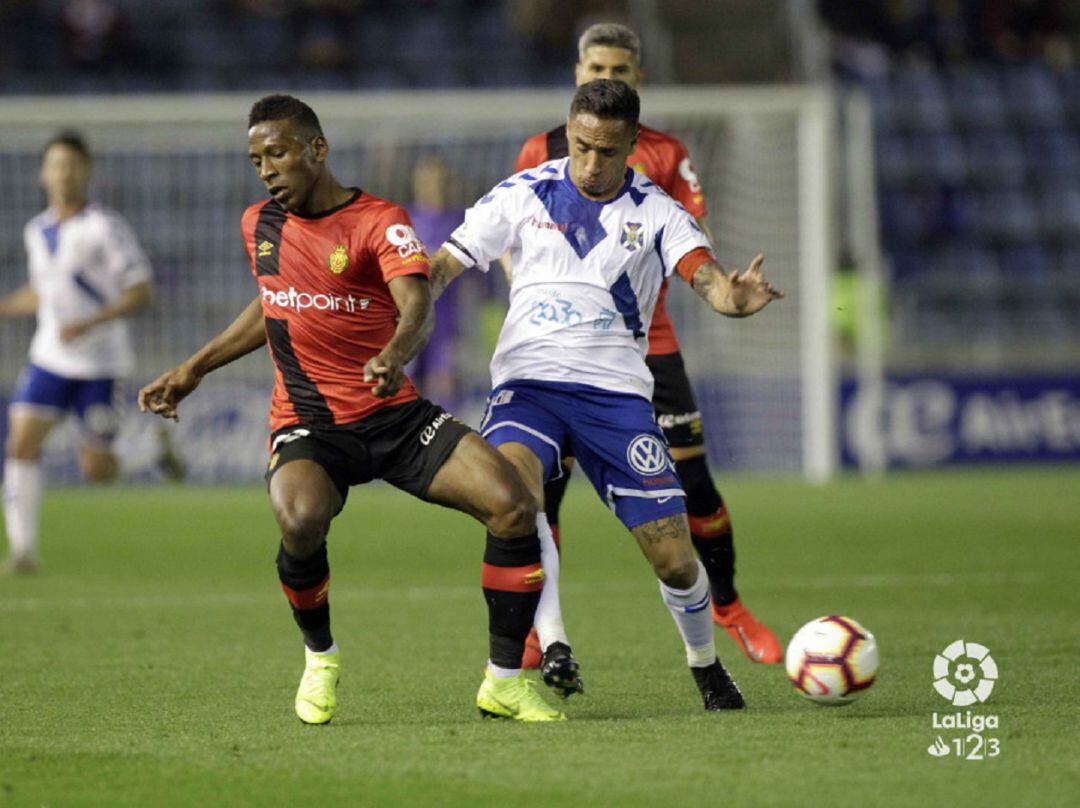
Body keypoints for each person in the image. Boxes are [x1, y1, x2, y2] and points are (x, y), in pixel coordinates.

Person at [138, 95, 562, 724]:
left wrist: (394, 355)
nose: (266, 169)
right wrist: (193, 368)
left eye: (277, 153)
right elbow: (271, 304)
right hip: (309, 421)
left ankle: (503, 681)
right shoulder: (259, 224)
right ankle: (320, 658)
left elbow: (417, 308)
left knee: (513, 505)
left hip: (393, 413)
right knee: (300, 517)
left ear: (317, 148)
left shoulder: (379, 220)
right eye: (256, 159)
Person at [429, 80, 783, 710]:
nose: (591, 164)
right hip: (528, 386)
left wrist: (736, 299)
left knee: (675, 559)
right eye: (581, 146)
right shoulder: (523, 192)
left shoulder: (660, 212)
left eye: (608, 152)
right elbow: (444, 265)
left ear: (633, 146)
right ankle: (555, 640)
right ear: (568, 131)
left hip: (615, 397)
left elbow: (710, 282)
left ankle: (704, 663)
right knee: (515, 496)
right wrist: (408, 300)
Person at [513, 22, 783, 668]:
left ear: (639, 80)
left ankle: (728, 603)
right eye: (596, 69)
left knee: (693, 484)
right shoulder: (540, 152)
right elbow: (515, 241)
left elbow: (689, 238)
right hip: (558, 348)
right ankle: (535, 629)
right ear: (578, 73)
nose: (607, 79)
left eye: (621, 71)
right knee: (539, 493)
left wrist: (724, 288)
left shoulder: (664, 153)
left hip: (646, 347)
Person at [1, 130, 153, 574]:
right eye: (56, 165)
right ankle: (23, 551)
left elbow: (140, 290)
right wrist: (8, 306)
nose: (63, 173)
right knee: (20, 443)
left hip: (101, 364)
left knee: (97, 471)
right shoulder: (37, 230)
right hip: (49, 357)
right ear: (42, 174)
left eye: (71, 164)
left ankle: (150, 450)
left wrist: (92, 320)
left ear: (85, 171)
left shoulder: (105, 227)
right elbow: (45, 293)